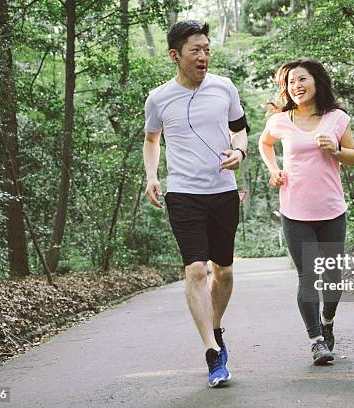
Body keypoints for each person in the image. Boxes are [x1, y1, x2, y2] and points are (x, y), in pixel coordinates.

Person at [143, 20, 249, 387]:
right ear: (175, 56)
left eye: (207, 49)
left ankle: (216, 330)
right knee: (195, 271)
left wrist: (240, 151)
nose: (203, 56)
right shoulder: (158, 98)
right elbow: (152, 139)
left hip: (223, 192)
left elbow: (240, 128)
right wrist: (152, 175)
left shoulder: (224, 88)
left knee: (224, 272)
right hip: (183, 194)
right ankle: (211, 353)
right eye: (195, 50)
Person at [258, 58, 354, 365]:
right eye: (290, 82)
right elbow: (265, 143)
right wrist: (274, 168)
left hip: (331, 210)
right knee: (308, 278)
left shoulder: (336, 118)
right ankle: (316, 341)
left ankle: (327, 322)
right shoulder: (281, 120)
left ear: (316, 82)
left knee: (332, 279)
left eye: (302, 79)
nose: (296, 86)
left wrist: (336, 150)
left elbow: (353, 157)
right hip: (295, 210)